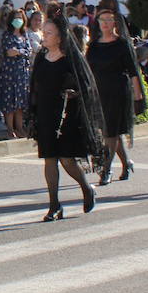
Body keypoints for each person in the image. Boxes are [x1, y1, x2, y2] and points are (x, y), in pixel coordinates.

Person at [28, 11, 101, 222]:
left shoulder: (70, 59)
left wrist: (73, 92)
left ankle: (87, 189)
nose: (45, 36)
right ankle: (54, 205)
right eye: (44, 32)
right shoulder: (41, 57)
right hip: (46, 113)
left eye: (49, 33)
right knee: (49, 159)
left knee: (67, 160)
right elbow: (35, 85)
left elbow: (85, 86)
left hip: (67, 114)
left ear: (60, 36)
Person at [86, 4, 143, 186]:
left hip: (118, 91)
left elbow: (133, 71)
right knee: (111, 132)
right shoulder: (93, 46)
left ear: (115, 23)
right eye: (102, 20)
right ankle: (126, 163)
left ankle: (106, 169)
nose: (105, 23)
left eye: (109, 20)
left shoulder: (122, 44)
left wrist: (138, 96)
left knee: (111, 132)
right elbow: (87, 70)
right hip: (99, 92)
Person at [0, 7, 34, 138]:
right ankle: (10, 128)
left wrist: (19, 51)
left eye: (20, 17)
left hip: (22, 73)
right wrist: (20, 52)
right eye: (16, 18)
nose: (18, 20)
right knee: (9, 101)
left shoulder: (25, 35)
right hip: (10, 73)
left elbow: (28, 51)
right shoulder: (7, 35)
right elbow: (9, 52)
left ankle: (20, 127)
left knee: (20, 102)